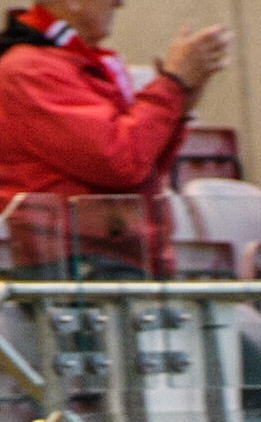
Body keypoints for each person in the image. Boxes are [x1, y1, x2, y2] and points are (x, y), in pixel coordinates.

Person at [0, 0, 231, 275]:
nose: (120, 3)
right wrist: (172, 85)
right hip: (76, 268)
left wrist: (180, 101)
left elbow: (145, 166)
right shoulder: (31, 70)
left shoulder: (75, 65)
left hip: (109, 261)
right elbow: (120, 160)